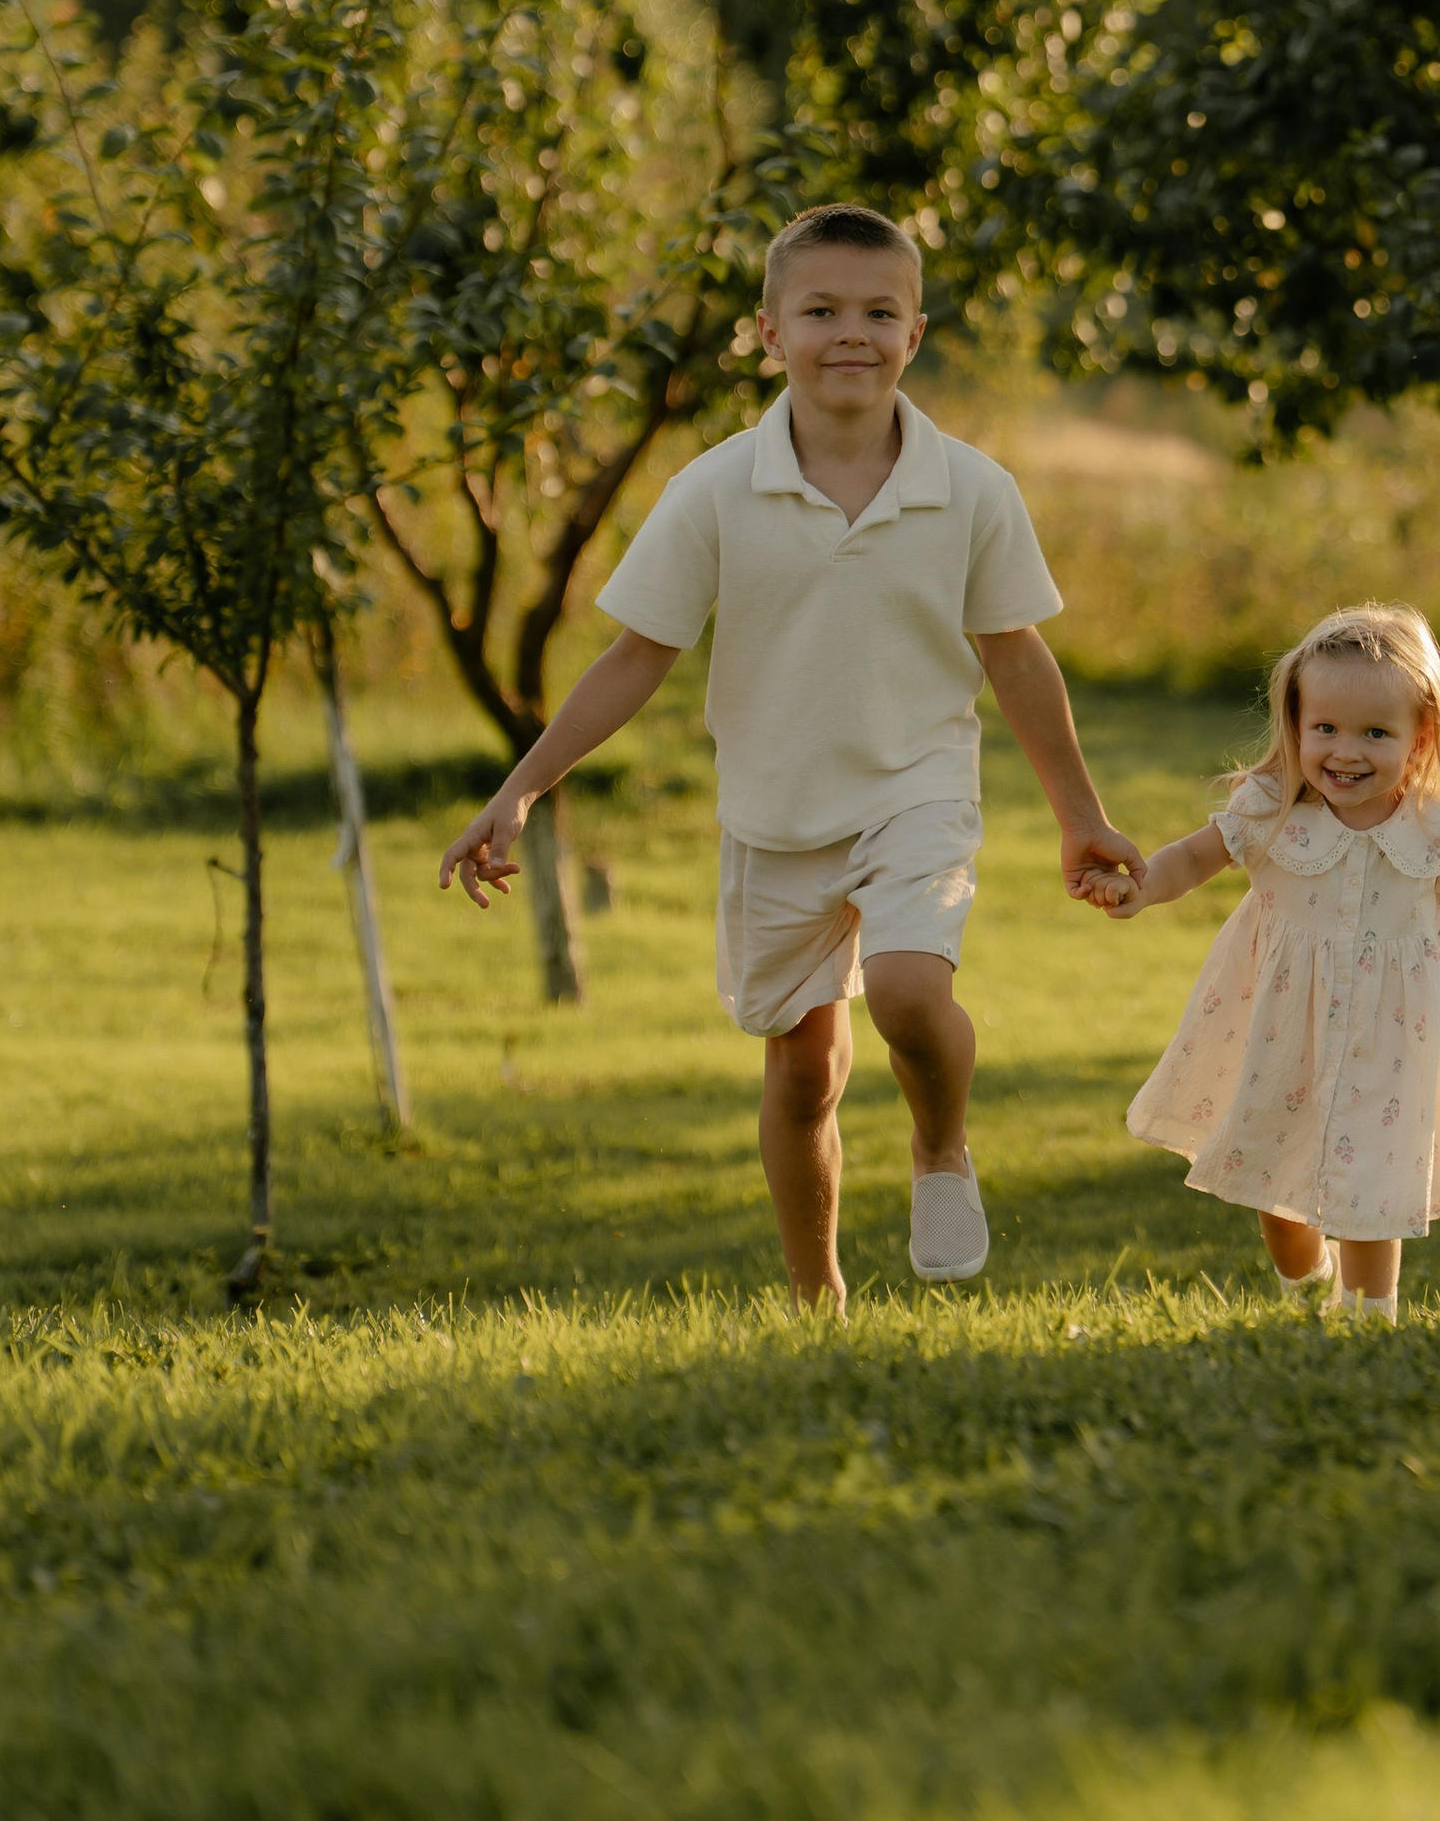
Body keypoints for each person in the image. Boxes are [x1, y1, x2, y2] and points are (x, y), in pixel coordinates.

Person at [438, 202, 1142, 1307]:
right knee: (804, 1068)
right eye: (820, 311)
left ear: (915, 333)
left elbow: (1015, 657)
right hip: (774, 812)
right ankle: (818, 1298)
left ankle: (939, 1146)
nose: (850, 333)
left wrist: (1079, 816)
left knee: (907, 991)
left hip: (917, 792)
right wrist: (522, 790)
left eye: (879, 312)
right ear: (769, 333)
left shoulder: (972, 490)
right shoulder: (715, 491)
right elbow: (635, 656)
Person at [1084, 602, 1440, 1321]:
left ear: (1421, 736)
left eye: (1375, 733)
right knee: (1274, 1184)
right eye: (1325, 729)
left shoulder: (1432, 826)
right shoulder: (1273, 808)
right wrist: (1139, 889)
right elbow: (1193, 859)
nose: (1346, 752)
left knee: (1374, 1188)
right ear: (1296, 725)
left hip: (1391, 1040)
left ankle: (1370, 1317)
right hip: (1283, 1030)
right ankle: (1305, 1293)